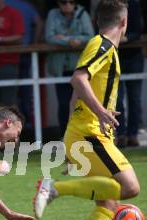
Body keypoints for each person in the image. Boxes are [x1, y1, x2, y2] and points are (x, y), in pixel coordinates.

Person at [34, 0, 140, 220]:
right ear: (124, 22)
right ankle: (55, 188)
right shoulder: (102, 45)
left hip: (84, 133)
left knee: (108, 203)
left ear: (95, 20)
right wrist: (100, 112)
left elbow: (76, 95)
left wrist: (73, 145)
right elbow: (78, 80)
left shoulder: (105, 48)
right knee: (129, 187)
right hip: (90, 132)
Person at [45, 0, 94, 136]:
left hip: (80, 67)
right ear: (58, 4)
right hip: (61, 68)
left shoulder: (83, 13)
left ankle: (83, 134)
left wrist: (64, 38)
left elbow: (90, 36)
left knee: (83, 102)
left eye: (71, 2)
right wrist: (70, 41)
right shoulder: (52, 14)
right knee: (64, 104)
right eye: (63, 2)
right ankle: (65, 135)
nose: (67, 5)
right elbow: (49, 37)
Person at [6, 0, 43, 128]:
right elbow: (39, 23)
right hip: (23, 52)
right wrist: (34, 43)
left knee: (12, 92)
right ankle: (26, 125)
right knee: (24, 91)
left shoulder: (5, 5)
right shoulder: (27, 5)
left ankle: (15, 126)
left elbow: (38, 22)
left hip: (10, 54)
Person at [115, 0, 144, 147]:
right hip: (115, 56)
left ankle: (133, 134)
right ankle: (120, 134)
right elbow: (100, 28)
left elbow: (138, 30)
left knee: (134, 99)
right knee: (117, 99)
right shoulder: (108, 6)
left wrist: (126, 38)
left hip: (133, 56)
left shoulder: (133, 5)